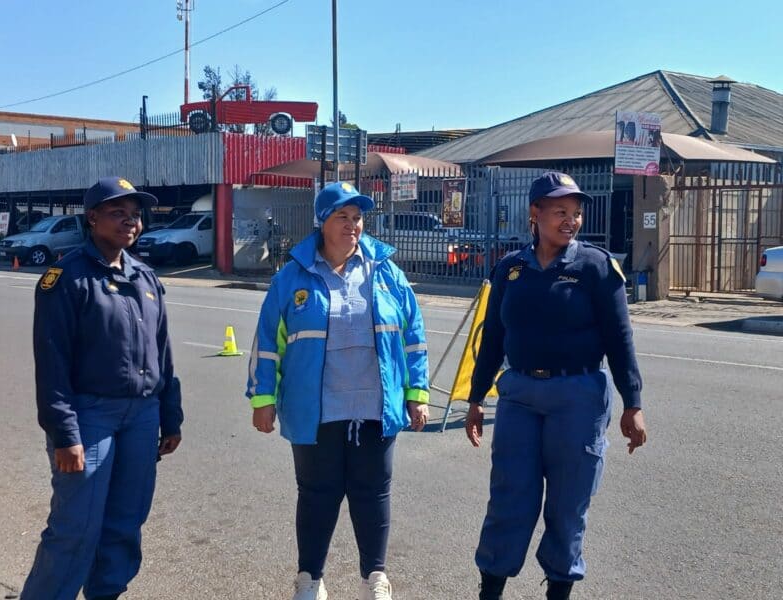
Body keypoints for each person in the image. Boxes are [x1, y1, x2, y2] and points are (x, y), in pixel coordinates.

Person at [465, 172, 647, 600]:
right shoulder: (510, 269)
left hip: (578, 396)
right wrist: (476, 397)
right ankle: (490, 590)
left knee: (568, 505)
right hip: (519, 396)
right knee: (509, 497)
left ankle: (559, 591)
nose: (571, 220)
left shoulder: (596, 267)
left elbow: (620, 338)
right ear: (535, 212)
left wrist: (633, 402)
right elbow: (493, 337)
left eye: (576, 213)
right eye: (560, 211)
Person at [247, 181, 430, 600]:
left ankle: (374, 578)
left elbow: (413, 337)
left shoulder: (387, 272)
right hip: (315, 408)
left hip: (375, 406)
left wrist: (417, 393)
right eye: (342, 217)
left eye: (357, 217)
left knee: (373, 494)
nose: (352, 225)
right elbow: (267, 342)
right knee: (316, 495)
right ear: (322, 222)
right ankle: (310, 578)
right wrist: (263, 398)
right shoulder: (291, 277)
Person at [21, 176, 184, 600]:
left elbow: (163, 354)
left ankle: (106, 593)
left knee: (124, 524)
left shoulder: (146, 278)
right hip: (89, 415)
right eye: (117, 213)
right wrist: (65, 434)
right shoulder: (66, 278)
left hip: (142, 417)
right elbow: (52, 363)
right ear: (92, 218)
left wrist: (171, 416)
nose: (130, 222)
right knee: (75, 527)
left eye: (135, 215)